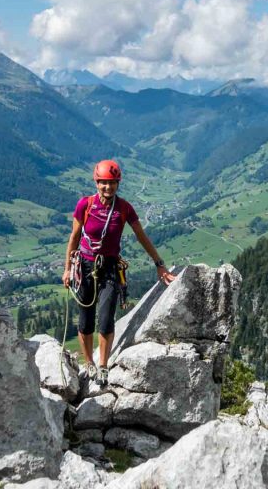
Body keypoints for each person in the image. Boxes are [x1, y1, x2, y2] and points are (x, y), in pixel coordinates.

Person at [62, 160, 176, 386]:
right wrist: (67, 269)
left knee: (105, 320)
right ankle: (89, 364)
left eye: (112, 183)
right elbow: (74, 237)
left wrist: (159, 263)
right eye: (104, 183)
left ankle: (103, 366)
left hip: (110, 269)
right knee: (85, 321)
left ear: (117, 183)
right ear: (96, 182)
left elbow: (141, 236)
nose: (108, 187)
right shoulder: (85, 205)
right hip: (84, 266)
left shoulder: (124, 208)